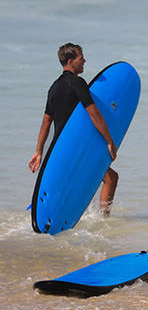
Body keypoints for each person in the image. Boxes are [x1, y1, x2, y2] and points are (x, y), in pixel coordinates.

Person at [28, 43, 119, 216]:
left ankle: (81, 217)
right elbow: (94, 115)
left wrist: (39, 152)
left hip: (59, 149)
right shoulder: (77, 83)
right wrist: (109, 141)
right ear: (71, 61)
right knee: (110, 178)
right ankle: (104, 221)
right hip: (76, 148)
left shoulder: (53, 88)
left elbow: (46, 122)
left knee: (83, 184)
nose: (84, 60)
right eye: (80, 58)